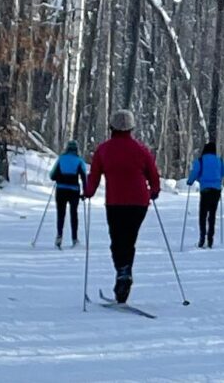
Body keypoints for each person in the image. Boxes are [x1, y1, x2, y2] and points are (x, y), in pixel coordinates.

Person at [83, 110, 161, 303]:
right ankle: (125, 275)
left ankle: (123, 272)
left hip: (115, 202)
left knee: (117, 241)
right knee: (129, 239)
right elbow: (153, 173)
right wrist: (155, 190)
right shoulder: (141, 149)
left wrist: (88, 192)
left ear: (112, 127)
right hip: (139, 202)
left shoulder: (104, 150)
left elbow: (94, 176)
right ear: (132, 128)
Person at [186, 141, 224, 249]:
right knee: (212, 214)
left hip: (205, 190)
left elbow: (195, 172)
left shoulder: (200, 161)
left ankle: (202, 238)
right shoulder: (218, 160)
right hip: (216, 190)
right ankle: (210, 239)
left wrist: (190, 181)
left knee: (203, 214)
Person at [49, 139, 87, 249]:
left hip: (61, 190)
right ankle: (74, 238)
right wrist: (86, 192)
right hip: (74, 190)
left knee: (61, 214)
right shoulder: (79, 161)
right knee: (73, 214)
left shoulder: (61, 159)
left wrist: (59, 178)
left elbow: (52, 175)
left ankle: (59, 236)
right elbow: (84, 177)